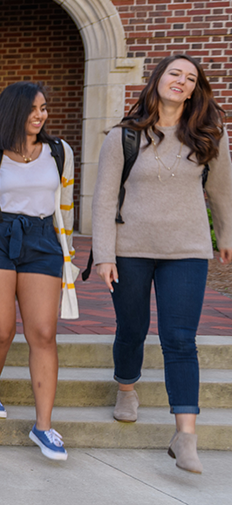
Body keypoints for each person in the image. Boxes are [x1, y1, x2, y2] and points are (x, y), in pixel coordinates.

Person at [92, 54, 232, 474]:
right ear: (157, 79)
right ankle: (126, 387)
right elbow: (103, 198)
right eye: (175, 73)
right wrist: (104, 254)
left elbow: (223, 192)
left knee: (179, 339)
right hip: (131, 248)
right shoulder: (123, 136)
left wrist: (225, 236)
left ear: (194, 89)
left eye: (190, 78)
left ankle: (185, 435)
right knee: (132, 327)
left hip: (187, 250)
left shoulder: (209, 135)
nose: (182, 81)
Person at [0, 82, 78, 461]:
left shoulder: (59, 152)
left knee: (43, 332)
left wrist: (66, 254)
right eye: (34, 109)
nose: (42, 115)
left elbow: (65, 207)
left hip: (43, 241)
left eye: (44, 108)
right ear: (14, 111)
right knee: (2, 330)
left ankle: (43, 426)